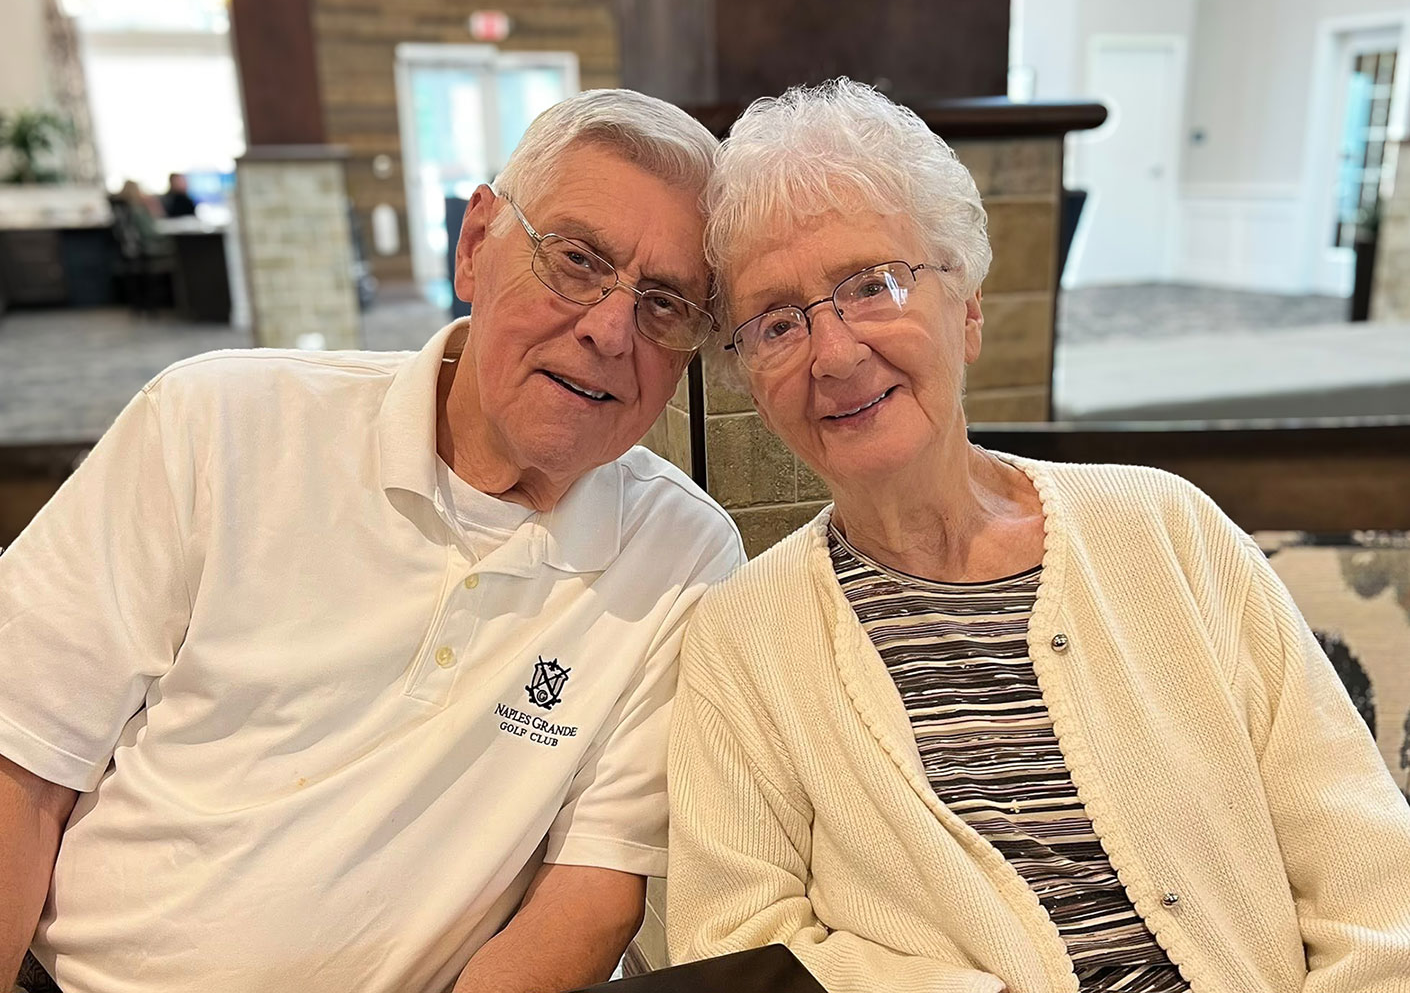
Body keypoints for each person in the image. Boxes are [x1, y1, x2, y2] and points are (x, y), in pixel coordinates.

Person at [665, 78, 1410, 993]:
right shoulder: (741, 640)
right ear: (750, 379)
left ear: (968, 309)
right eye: (778, 322)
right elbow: (732, 942)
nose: (836, 351)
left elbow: (1375, 885)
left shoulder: (1168, 530)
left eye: (873, 284)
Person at [0, 89, 743, 993]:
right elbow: (21, 760)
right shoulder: (214, 423)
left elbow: (590, 893)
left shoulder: (683, 557)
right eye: (576, 261)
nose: (608, 328)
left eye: (665, 304)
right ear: (475, 245)